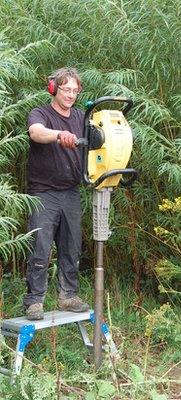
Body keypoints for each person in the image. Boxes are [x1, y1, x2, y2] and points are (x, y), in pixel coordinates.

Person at [23, 67, 89, 320]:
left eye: (75, 90)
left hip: (71, 191)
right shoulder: (40, 113)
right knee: (41, 246)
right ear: (54, 88)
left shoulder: (82, 117)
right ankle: (34, 301)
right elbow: (36, 132)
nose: (71, 95)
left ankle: (68, 296)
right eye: (66, 89)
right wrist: (59, 134)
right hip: (43, 192)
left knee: (72, 246)